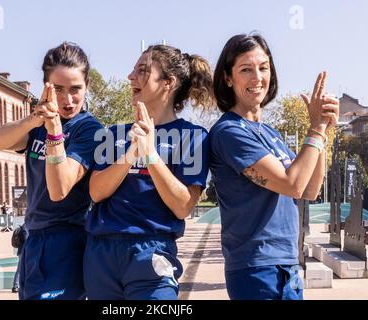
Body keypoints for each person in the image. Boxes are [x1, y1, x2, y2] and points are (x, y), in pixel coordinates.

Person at [209, 33, 339, 300]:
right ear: (228, 78)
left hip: (286, 264)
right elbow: (292, 184)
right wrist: (314, 128)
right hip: (255, 268)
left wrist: (322, 129)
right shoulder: (229, 132)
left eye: (263, 67)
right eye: (246, 69)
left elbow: (310, 189)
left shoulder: (270, 134)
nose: (257, 78)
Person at [84, 45, 213, 300]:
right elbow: (96, 193)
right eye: (133, 70)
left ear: (168, 83)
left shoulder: (193, 137)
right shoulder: (114, 135)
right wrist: (133, 151)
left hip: (152, 251)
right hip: (102, 254)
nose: (130, 77)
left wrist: (151, 154)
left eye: (142, 70)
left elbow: (182, 206)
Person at [0, 42, 103, 300]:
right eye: (59, 90)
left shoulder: (89, 130)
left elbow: (59, 189)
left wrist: (54, 131)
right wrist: (35, 118)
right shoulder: (37, 124)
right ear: (46, 87)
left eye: (76, 89)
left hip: (67, 242)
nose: (67, 99)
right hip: (33, 240)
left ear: (87, 86)